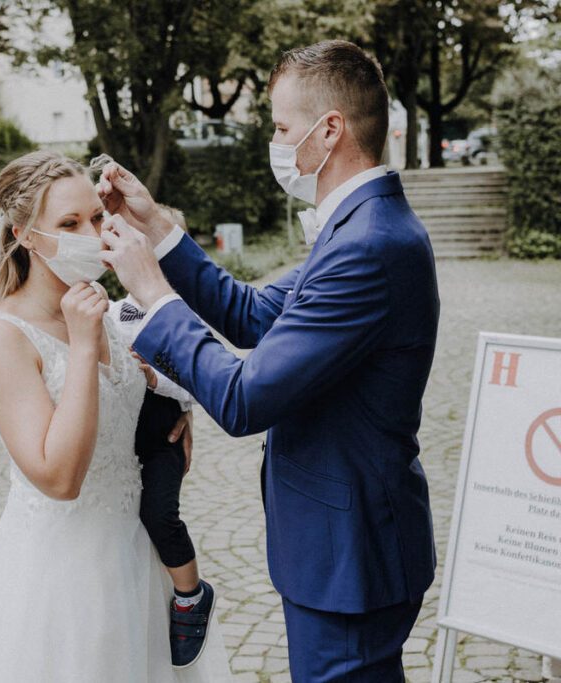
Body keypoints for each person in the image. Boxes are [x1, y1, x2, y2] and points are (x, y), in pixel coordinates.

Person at [97, 40, 439, 682]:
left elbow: (245, 399)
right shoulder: (356, 227)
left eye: (282, 128)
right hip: (337, 543)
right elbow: (255, 315)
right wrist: (157, 229)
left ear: (328, 129)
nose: (277, 142)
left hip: (351, 554)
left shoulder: (368, 244)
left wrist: (150, 294)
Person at [0, 150, 231, 682]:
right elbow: (59, 477)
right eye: (69, 224)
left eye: (97, 218)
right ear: (26, 235)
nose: (92, 233)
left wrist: (174, 414)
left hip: (135, 557)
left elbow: (137, 388)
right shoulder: (4, 335)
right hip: (63, 575)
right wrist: (81, 345)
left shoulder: (99, 303)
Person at [106, 204, 215, 668]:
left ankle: (191, 595)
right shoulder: (111, 313)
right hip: (120, 439)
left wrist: (153, 378)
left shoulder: (182, 317)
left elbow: (196, 379)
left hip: (162, 439)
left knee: (159, 513)